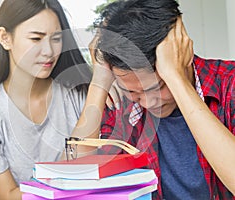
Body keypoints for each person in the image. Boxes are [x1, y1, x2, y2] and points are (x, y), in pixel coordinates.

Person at [0, 0, 109, 199]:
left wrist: (100, 83)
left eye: (56, 39)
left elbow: (83, 166)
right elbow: (10, 196)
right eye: (36, 38)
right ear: (5, 38)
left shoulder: (81, 95)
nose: (48, 51)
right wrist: (68, 177)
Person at [88, 0, 235, 199]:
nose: (148, 103)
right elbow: (75, 181)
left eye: (159, 87)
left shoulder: (230, 84)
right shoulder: (120, 103)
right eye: (135, 93)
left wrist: (176, 80)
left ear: (182, 52)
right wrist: (98, 85)